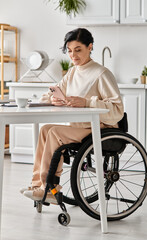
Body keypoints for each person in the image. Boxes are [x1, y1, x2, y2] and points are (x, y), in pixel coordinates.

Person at [21, 28, 124, 204]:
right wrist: (54, 99)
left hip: (101, 128)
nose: (73, 55)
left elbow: (117, 110)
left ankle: (49, 188)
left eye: (78, 50)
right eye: (69, 51)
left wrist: (87, 102)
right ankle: (37, 184)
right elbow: (53, 91)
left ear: (89, 47)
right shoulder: (73, 72)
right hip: (80, 127)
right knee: (46, 129)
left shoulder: (101, 73)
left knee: (54, 133)